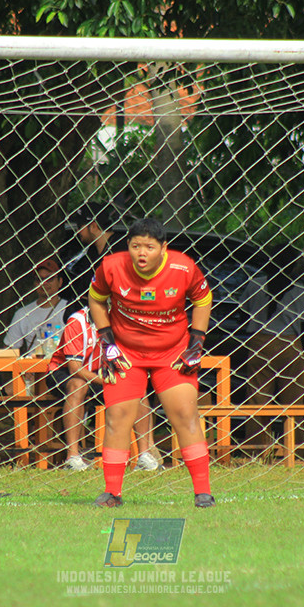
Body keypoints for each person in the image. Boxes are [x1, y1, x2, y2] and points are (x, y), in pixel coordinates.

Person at [88, 217, 214, 508]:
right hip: (126, 353)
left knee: (185, 414)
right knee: (117, 417)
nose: (141, 253)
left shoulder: (184, 267)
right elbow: (96, 300)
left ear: (163, 248)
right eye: (135, 246)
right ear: (127, 246)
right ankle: (112, 493)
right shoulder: (111, 266)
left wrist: (196, 344)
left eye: (149, 247)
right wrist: (107, 342)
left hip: (171, 353)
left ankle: (203, 493)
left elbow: (203, 300)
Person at [46, 307, 158, 471]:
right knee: (78, 385)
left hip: (99, 373)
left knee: (137, 387)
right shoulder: (77, 322)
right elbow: (75, 369)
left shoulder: (122, 320)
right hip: (63, 372)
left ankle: (145, 455)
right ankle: (73, 457)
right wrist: (107, 381)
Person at [241, 244, 304, 410]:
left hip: (260, 341)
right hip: (289, 343)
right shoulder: (299, 290)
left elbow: (243, 315)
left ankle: (257, 427)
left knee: (257, 396)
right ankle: (293, 426)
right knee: (293, 397)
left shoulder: (255, 285)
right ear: (292, 265)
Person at [3, 257, 70, 355]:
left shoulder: (70, 309)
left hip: (64, 363)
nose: (44, 283)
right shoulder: (23, 314)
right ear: (35, 284)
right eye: (39, 279)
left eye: (49, 279)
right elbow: (9, 350)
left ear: (60, 282)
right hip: (34, 364)